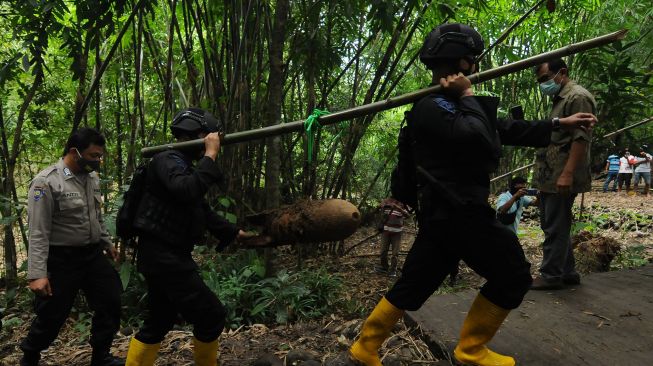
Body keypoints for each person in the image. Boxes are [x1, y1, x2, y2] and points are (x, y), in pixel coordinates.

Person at [348, 23, 597, 366]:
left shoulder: (448, 104)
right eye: (472, 61)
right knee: (512, 273)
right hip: (459, 213)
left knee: (416, 281)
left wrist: (558, 124)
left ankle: (365, 346)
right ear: (462, 63)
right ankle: (471, 350)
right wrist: (466, 97)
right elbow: (478, 139)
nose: (476, 69)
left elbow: (501, 128)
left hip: (444, 217)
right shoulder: (433, 107)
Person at [124, 108, 266, 366]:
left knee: (159, 321)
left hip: (163, 256)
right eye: (210, 137)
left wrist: (234, 233)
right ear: (200, 135)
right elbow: (187, 191)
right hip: (164, 257)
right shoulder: (167, 160)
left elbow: (200, 210)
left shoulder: (180, 165)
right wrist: (210, 156)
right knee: (211, 316)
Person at [20, 128, 124, 366]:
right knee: (53, 314)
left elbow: (95, 215)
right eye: (93, 156)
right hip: (62, 259)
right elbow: (38, 231)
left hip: (91, 255)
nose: (98, 161)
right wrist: (37, 274)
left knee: (110, 300)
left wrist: (106, 242)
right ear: (74, 152)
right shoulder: (46, 182)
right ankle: (30, 355)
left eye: (100, 156)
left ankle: (101, 356)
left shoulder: (91, 179)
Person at [532, 57, 597, 291]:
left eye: (545, 79)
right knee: (555, 223)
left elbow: (581, 139)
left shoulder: (577, 97)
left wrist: (567, 173)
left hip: (561, 173)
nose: (543, 84)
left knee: (554, 225)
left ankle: (550, 275)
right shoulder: (560, 98)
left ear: (562, 72)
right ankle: (567, 272)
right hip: (550, 174)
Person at [375, 198, 409, 277]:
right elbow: (377, 211)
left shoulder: (403, 203)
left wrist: (399, 209)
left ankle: (393, 270)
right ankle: (385, 267)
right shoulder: (387, 201)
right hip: (386, 231)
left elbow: (408, 215)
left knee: (395, 253)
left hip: (397, 233)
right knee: (383, 252)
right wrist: (381, 206)